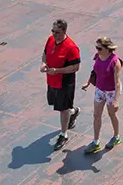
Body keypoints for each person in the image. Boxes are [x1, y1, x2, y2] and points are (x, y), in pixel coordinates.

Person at [42, 19, 82, 151]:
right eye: (52, 31)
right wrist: (44, 64)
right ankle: (73, 111)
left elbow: (75, 67)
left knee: (62, 109)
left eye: (57, 32)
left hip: (64, 83)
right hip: (52, 80)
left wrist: (58, 71)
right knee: (59, 105)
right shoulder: (50, 40)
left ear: (64, 31)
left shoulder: (71, 47)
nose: (54, 34)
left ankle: (63, 134)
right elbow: (45, 54)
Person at [82, 37, 123, 153]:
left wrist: (116, 100)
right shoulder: (97, 57)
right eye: (96, 48)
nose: (97, 50)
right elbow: (95, 71)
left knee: (111, 114)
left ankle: (116, 137)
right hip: (99, 90)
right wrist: (88, 82)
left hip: (111, 92)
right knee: (96, 116)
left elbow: (117, 82)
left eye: (99, 48)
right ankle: (96, 142)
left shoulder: (115, 62)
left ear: (107, 49)